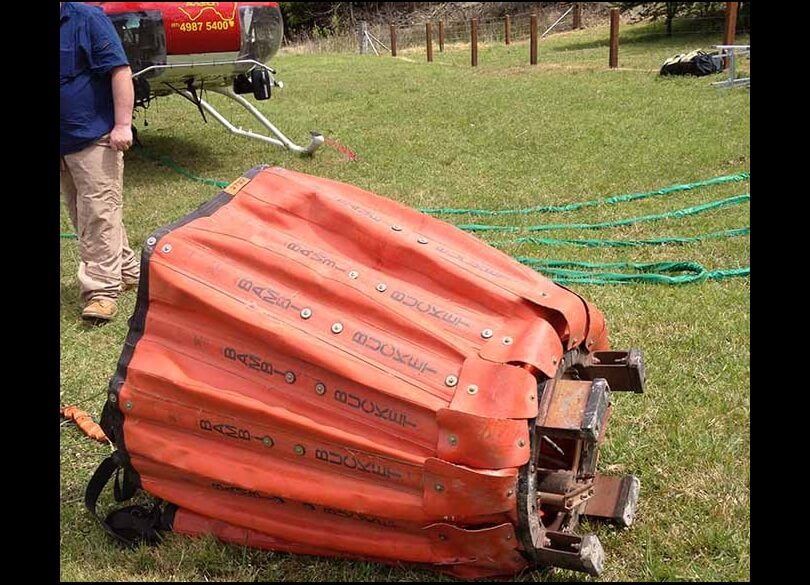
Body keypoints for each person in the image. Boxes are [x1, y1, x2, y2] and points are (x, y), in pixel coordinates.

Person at [60, 2, 140, 321]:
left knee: (98, 214)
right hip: (63, 144)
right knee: (86, 215)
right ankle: (129, 271)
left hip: (94, 138)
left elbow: (120, 71)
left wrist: (123, 124)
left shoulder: (87, 18)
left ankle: (102, 291)